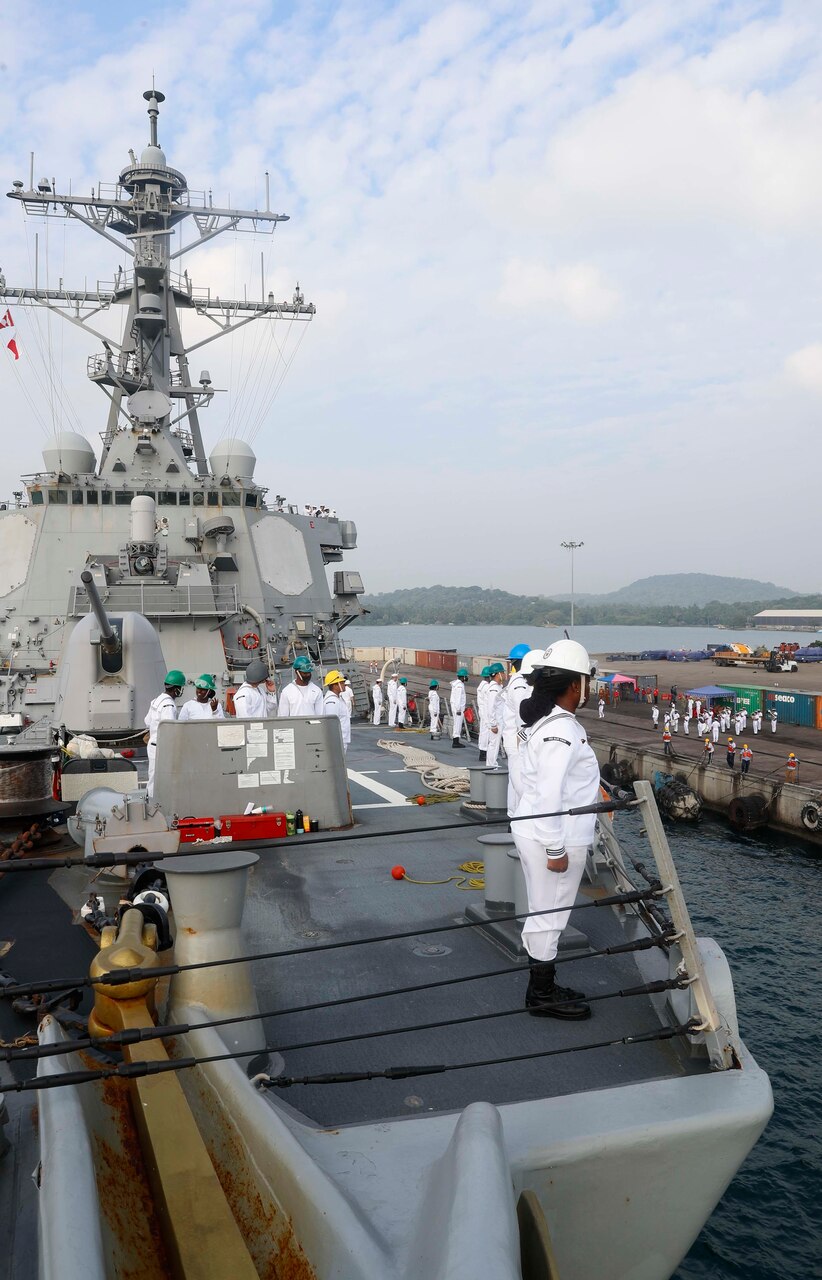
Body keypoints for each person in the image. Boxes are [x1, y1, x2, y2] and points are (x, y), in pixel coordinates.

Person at [511, 639, 598, 1020]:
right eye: (586, 680)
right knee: (550, 914)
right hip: (554, 835)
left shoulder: (547, 723)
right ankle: (541, 995)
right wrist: (555, 850)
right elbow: (549, 793)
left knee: (544, 910)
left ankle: (542, 985)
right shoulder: (560, 732)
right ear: (576, 684)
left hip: (540, 830)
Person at [501, 644, 534, 814]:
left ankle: (513, 817)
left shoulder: (517, 681)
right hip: (518, 740)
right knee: (521, 783)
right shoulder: (520, 683)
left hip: (515, 738)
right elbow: (523, 717)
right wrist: (527, 738)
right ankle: (518, 817)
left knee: (514, 781)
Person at [144, 669, 184, 797]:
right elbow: (169, 728)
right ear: (176, 689)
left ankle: (150, 801)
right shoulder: (168, 705)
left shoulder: (156, 700)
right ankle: (154, 804)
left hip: (153, 744)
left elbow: (147, 721)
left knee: (153, 776)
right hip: (162, 746)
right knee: (161, 778)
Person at [485, 662, 507, 768]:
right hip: (497, 723)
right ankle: (491, 765)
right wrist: (493, 725)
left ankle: (492, 764)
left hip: (500, 721)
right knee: (494, 744)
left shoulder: (498, 687)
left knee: (495, 744)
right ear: (498, 674)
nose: (504, 674)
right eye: (502, 672)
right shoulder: (494, 689)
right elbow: (491, 707)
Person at [323, 669, 351, 751]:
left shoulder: (338, 698)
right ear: (335, 685)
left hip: (341, 740)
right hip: (337, 741)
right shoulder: (332, 702)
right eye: (341, 683)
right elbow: (331, 724)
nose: (344, 684)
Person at [476, 666, 491, 762]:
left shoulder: (481, 686)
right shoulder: (487, 687)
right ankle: (484, 753)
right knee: (486, 732)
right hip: (486, 711)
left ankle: (482, 751)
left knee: (483, 732)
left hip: (482, 711)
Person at [450, 667, 468, 748]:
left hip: (457, 707)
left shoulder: (456, 684)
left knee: (457, 724)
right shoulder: (459, 686)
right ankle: (455, 742)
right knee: (458, 725)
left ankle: (456, 740)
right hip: (458, 709)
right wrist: (458, 709)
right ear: (463, 677)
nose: (467, 678)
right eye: (466, 676)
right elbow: (458, 698)